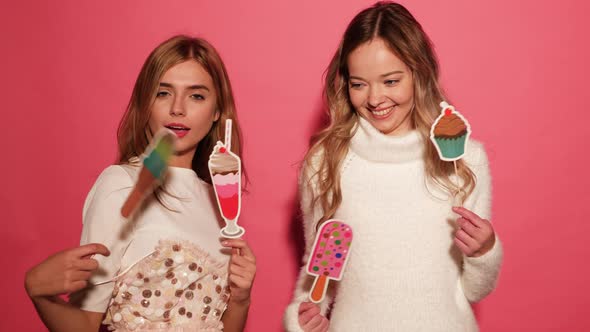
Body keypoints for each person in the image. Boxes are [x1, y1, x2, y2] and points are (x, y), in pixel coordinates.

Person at [284, 2, 503, 331]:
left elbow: (473, 290)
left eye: (390, 81)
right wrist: (302, 318)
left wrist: (484, 251)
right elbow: (318, 275)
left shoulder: (463, 159)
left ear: (419, 73)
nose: (374, 99)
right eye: (359, 84)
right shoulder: (325, 163)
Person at [24, 35, 256, 332]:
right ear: (145, 102)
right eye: (163, 93)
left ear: (216, 112)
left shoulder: (219, 203)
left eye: (196, 96)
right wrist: (39, 292)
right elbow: (85, 324)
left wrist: (240, 300)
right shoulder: (121, 185)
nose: (178, 108)